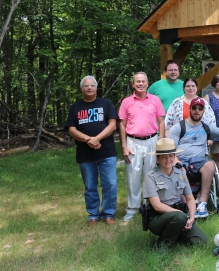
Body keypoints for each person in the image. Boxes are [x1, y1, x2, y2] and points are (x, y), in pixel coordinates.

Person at [65, 76, 118, 226]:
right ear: (81, 89)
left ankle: (108, 214)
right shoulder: (76, 107)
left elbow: (113, 125)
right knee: (90, 186)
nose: (89, 88)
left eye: (92, 85)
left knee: (110, 184)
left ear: (96, 88)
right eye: (86, 85)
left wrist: (97, 139)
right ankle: (93, 215)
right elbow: (72, 130)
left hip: (106, 152)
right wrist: (89, 139)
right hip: (85, 154)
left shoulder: (106, 104)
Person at [168, 96, 219, 218]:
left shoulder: (207, 128)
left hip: (200, 160)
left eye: (200, 109)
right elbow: (170, 150)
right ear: (190, 109)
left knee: (210, 165)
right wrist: (176, 161)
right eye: (194, 108)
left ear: (203, 111)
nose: (197, 111)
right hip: (181, 160)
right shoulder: (178, 127)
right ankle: (186, 206)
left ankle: (202, 203)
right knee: (178, 169)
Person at [142, 138, 207, 250]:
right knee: (179, 216)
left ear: (174, 156)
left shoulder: (180, 173)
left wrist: (191, 218)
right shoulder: (150, 177)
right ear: (157, 158)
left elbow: (190, 199)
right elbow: (157, 205)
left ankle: (175, 234)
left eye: (171, 156)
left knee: (201, 241)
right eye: (163, 157)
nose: (168, 159)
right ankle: (163, 244)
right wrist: (180, 214)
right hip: (158, 219)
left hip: (179, 217)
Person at [119, 72, 165, 222]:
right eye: (137, 82)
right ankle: (132, 209)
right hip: (133, 142)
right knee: (133, 176)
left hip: (152, 140)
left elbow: (161, 122)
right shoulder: (126, 102)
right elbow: (122, 124)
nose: (140, 84)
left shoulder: (155, 100)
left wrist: (161, 143)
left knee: (151, 175)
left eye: (143, 81)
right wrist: (124, 146)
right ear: (133, 84)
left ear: (147, 83)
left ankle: (149, 207)